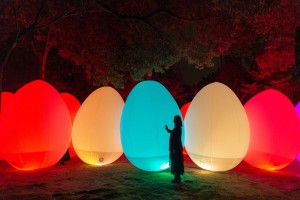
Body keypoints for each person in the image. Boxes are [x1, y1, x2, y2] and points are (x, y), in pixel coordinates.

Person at [165, 115, 184, 183]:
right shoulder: (177, 127)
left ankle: (177, 178)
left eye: (174, 119)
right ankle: (177, 178)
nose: (173, 120)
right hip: (176, 148)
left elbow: (176, 139)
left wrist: (174, 149)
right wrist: (167, 129)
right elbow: (173, 133)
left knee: (176, 162)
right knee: (176, 162)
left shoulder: (178, 128)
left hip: (176, 149)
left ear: (176, 120)